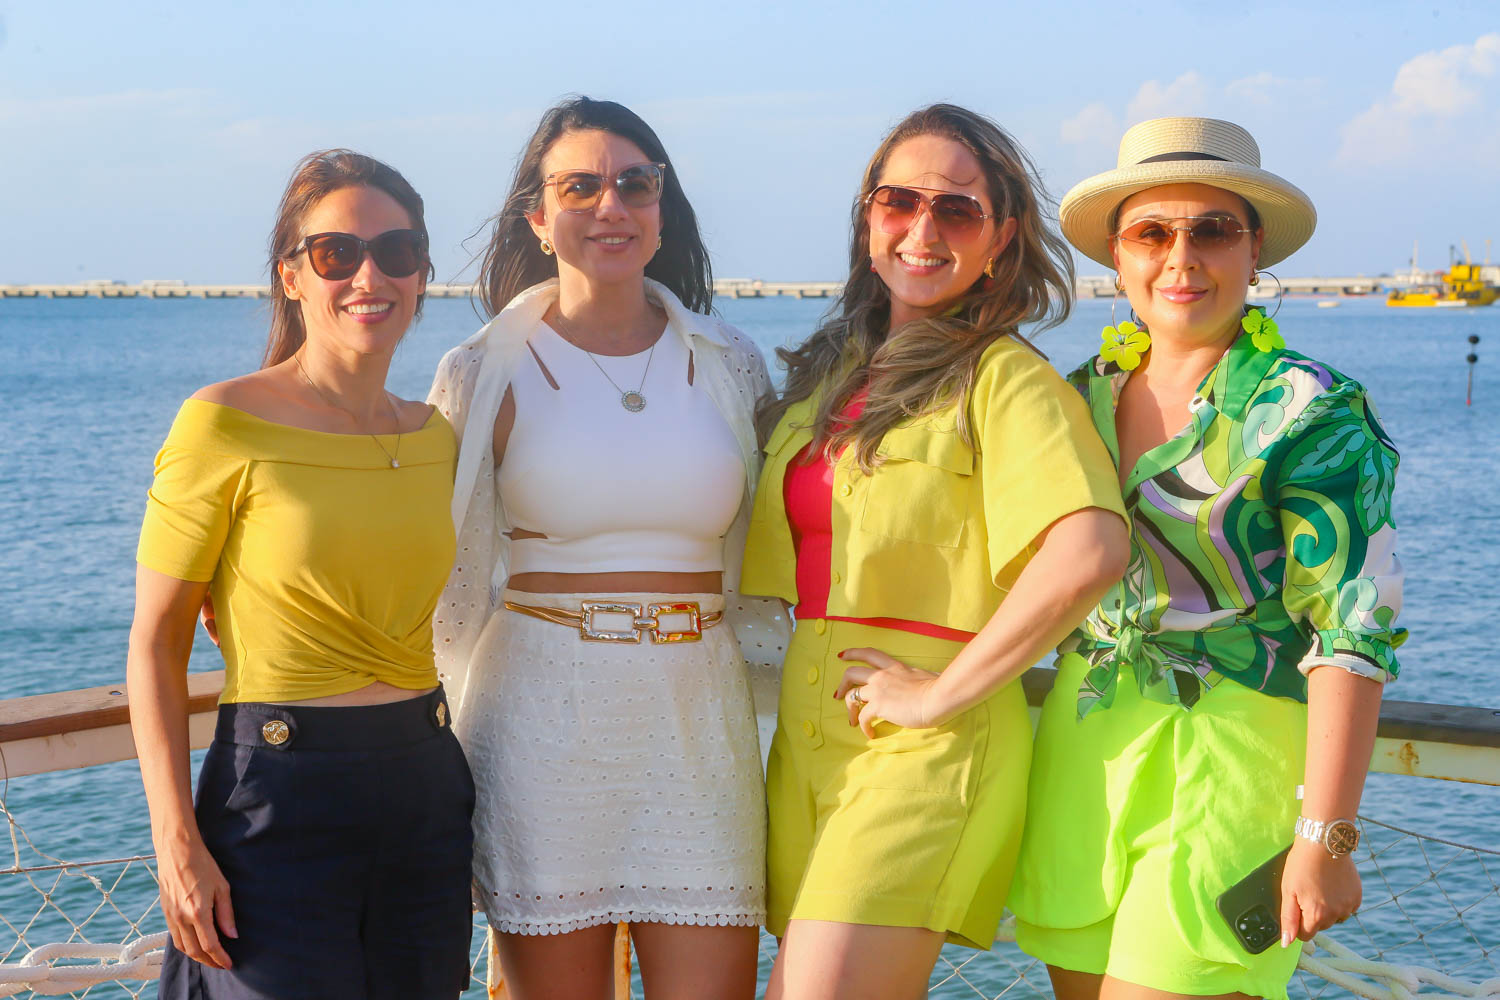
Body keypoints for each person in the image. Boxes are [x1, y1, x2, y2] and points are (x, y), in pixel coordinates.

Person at [1006, 117, 1406, 1000]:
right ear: (1117, 257)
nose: (1181, 258)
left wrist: (1326, 835)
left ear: (1255, 249)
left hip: (1233, 773)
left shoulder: (1310, 410)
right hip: (1085, 760)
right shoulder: (1076, 399)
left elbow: (1353, 629)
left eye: (1212, 230)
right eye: (1152, 232)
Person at [738, 103, 1130, 1000]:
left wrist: (940, 695)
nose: (923, 229)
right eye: (899, 202)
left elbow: (1091, 549)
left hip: (926, 748)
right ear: (867, 218)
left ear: (1001, 238)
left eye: (956, 208)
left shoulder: (1004, 378)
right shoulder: (831, 376)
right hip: (808, 744)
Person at [427, 96, 788, 1000]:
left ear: (663, 209)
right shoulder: (481, 369)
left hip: (698, 716)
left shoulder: (730, 360)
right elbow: (429, 558)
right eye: (579, 187)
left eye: (635, 183)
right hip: (540, 718)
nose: (610, 206)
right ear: (537, 216)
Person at [128, 150, 474, 1000]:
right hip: (277, 799)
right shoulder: (222, 423)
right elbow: (156, 643)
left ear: (422, 273)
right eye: (335, 253)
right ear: (291, 275)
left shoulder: (435, 437)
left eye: (396, 251)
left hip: (426, 791)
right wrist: (176, 843)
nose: (369, 276)